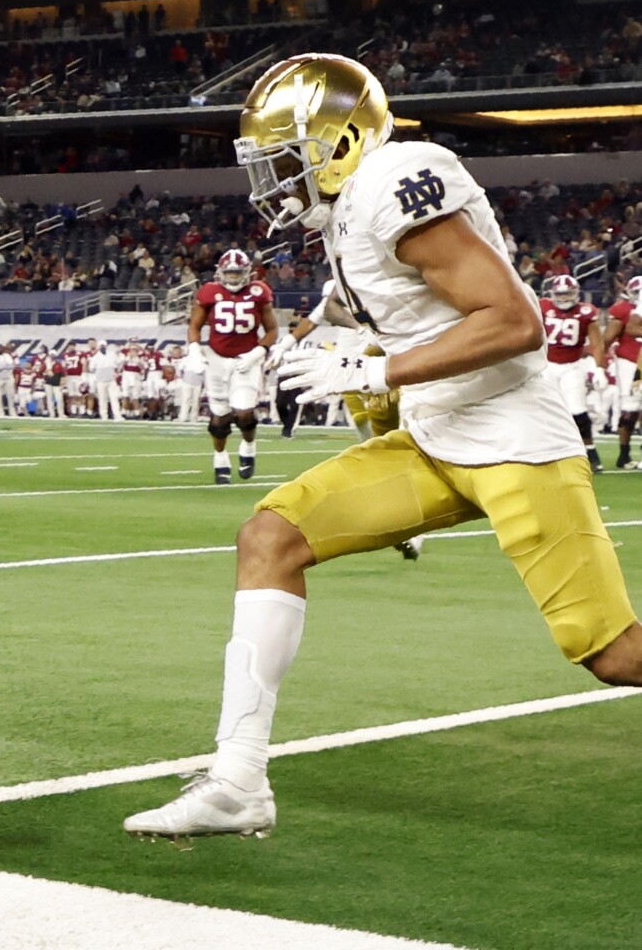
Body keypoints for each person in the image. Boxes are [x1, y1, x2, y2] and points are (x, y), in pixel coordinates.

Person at [123, 54, 642, 846]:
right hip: (437, 436)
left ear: (337, 143)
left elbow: (512, 320)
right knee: (271, 536)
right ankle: (237, 781)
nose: (274, 181)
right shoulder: (349, 211)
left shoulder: (395, 179)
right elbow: (376, 304)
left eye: (284, 159)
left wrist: (373, 367)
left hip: (512, 436)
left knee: (611, 654)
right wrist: (322, 351)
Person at [187, 248, 276, 483]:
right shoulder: (208, 292)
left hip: (246, 359)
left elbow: (272, 330)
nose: (233, 278)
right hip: (216, 359)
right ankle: (220, 457)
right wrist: (194, 349)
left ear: (247, 272)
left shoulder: (259, 292)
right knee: (219, 417)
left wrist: (258, 352)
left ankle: (248, 446)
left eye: (238, 273)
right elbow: (194, 325)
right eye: (230, 273)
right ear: (220, 272)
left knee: (245, 412)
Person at [539, 275, 606, 473]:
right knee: (545, 411)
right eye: (560, 293)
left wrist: (600, 367)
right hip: (547, 366)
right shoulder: (543, 307)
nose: (564, 297)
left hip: (573, 366)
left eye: (568, 293)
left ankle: (590, 451)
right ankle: (547, 452)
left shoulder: (586, 312)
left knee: (578, 411)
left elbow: (597, 343)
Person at [602, 276, 642, 468]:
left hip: (634, 361)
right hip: (629, 363)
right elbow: (608, 337)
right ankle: (624, 454)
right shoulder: (624, 310)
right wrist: (599, 362)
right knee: (630, 407)